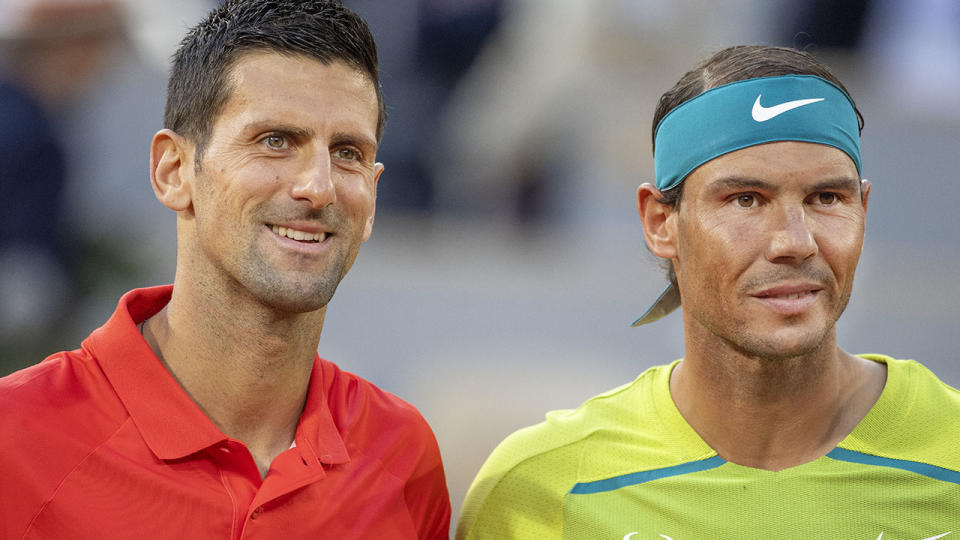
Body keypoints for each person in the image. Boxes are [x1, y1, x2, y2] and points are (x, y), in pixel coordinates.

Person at [457, 45, 960, 538]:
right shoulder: (543, 489)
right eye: (746, 200)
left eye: (827, 197)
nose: (795, 242)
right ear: (661, 223)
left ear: (864, 210)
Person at [0, 1, 451, 538]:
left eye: (348, 151)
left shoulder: (402, 455)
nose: (319, 187)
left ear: (373, 195)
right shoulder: (16, 441)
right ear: (173, 171)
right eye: (275, 141)